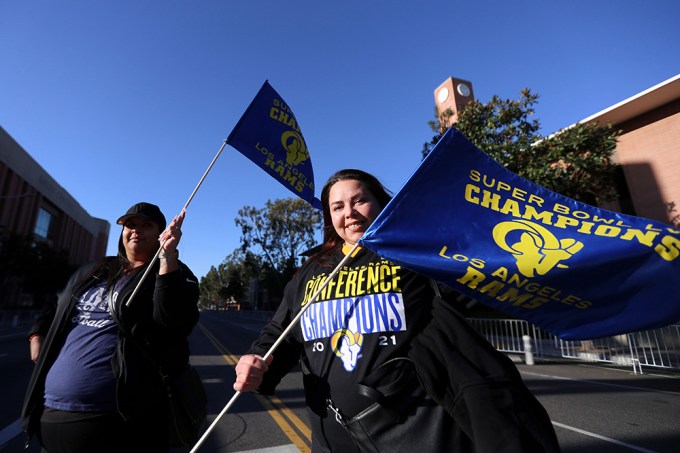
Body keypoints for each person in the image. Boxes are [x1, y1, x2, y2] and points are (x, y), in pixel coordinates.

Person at [233, 169, 560, 452]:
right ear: (330, 217)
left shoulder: (415, 256)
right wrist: (257, 359)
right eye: (338, 206)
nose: (350, 212)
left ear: (379, 203)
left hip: (417, 432)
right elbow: (280, 335)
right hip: (333, 437)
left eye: (360, 200)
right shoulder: (311, 271)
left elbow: (491, 280)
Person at [22, 202, 200, 453]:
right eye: (130, 225)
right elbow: (57, 302)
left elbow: (174, 322)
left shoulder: (175, 272)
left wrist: (167, 258)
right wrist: (37, 333)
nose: (136, 230)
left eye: (146, 225)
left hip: (121, 422)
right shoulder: (98, 269)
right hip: (51, 416)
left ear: (161, 233)